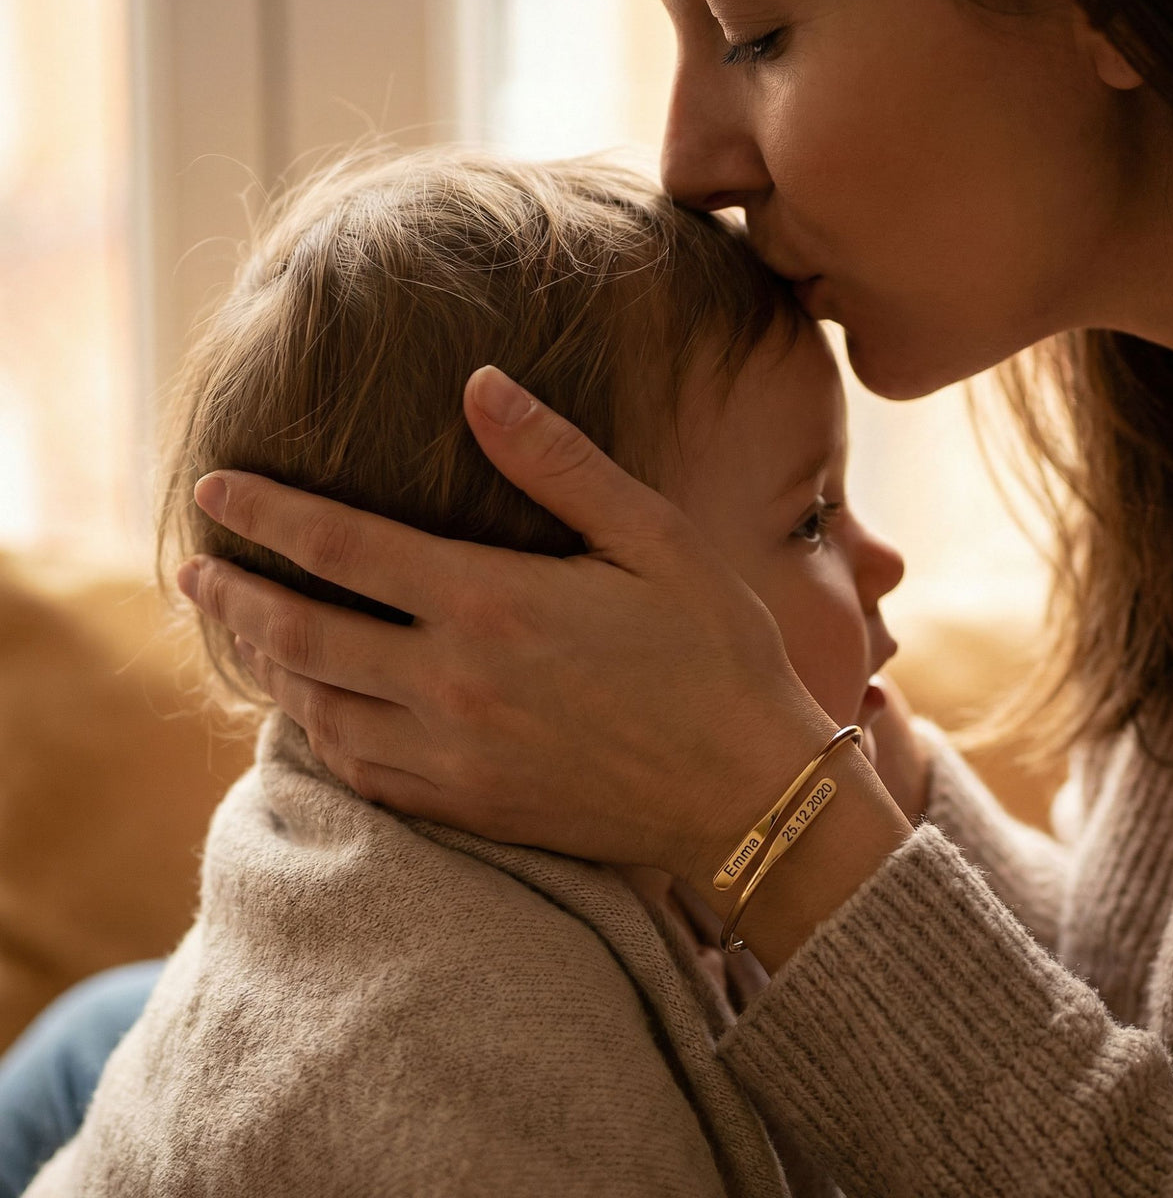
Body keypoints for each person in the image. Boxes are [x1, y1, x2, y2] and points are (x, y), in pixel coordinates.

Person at [160, 0, 1173, 1194]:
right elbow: (1167, 1016)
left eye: (753, 33)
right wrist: (819, 755)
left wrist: (765, 803)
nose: (686, 166)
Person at [18, 149, 913, 1196]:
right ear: (515, 633)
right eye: (809, 516)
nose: (882, 561)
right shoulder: (445, 1053)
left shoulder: (634, 877)